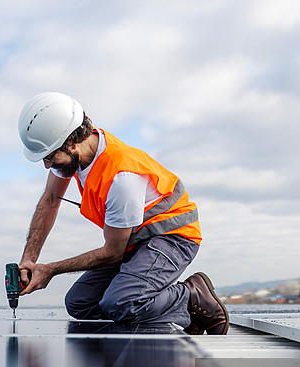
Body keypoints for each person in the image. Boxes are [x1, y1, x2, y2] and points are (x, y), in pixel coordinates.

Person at [16, 92, 228, 335]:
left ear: (72, 142)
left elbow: (112, 252)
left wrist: (51, 269)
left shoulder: (121, 177)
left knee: (122, 304)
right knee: (79, 303)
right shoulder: (74, 153)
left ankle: (190, 298)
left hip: (173, 238)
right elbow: (49, 200)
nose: (47, 165)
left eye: (50, 157)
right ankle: (155, 304)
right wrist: (29, 260)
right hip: (136, 242)